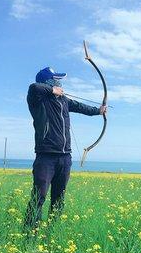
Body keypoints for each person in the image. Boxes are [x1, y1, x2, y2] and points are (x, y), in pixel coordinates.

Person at [24, 67, 106, 231]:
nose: (59, 82)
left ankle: (52, 231)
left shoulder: (63, 101)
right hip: (45, 156)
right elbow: (34, 87)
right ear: (48, 81)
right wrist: (52, 90)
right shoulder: (38, 100)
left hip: (65, 157)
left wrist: (99, 111)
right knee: (39, 196)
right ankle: (30, 232)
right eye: (55, 80)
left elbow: (81, 107)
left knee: (59, 198)